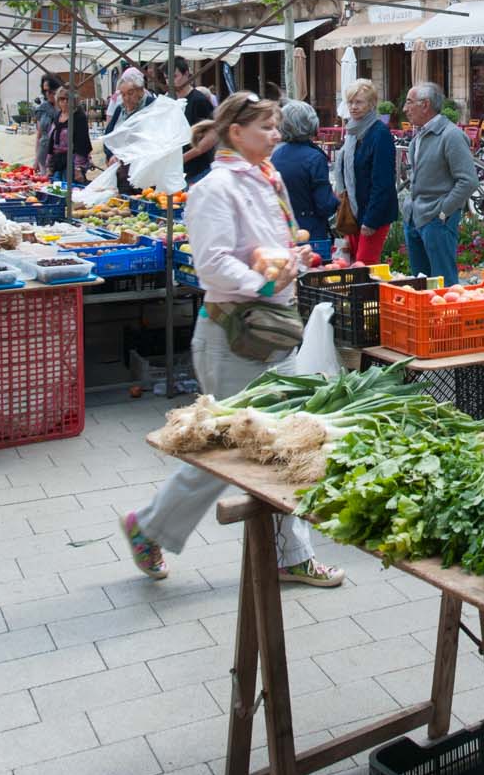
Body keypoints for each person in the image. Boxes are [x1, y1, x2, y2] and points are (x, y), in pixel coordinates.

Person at [119, 92, 342, 588]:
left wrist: (294, 261)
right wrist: (263, 284)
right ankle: (286, 554)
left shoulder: (268, 178)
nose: (276, 135)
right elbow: (213, 263)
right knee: (254, 446)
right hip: (234, 336)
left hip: (269, 329)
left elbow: (271, 247)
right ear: (236, 133)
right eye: (266, 127)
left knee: (259, 444)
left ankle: (155, 528)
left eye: (277, 125)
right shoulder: (214, 188)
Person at [401, 82, 477, 286]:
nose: (405, 109)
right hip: (415, 217)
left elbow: (468, 180)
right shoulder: (419, 135)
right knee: (421, 285)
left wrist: (444, 211)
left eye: (409, 102)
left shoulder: (451, 135)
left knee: (444, 286)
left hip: (437, 220)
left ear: (425, 105)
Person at [332, 80, 397, 265]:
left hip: (373, 214)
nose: (353, 107)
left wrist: (371, 220)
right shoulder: (352, 131)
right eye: (350, 102)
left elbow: (383, 182)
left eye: (359, 102)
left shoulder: (379, 133)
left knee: (363, 267)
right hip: (353, 212)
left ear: (371, 104)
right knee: (351, 265)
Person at [271, 100, 337, 249]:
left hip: (284, 229)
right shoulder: (315, 158)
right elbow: (325, 205)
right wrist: (336, 200)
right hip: (311, 233)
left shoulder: (276, 155)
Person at [170, 58, 218, 182]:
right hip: (178, 172)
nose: (170, 81)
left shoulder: (199, 100)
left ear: (186, 74)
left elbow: (212, 136)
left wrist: (183, 158)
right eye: (166, 78)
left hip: (199, 171)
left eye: (175, 76)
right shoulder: (171, 102)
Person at [46, 84, 92, 184]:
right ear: (58, 100)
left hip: (73, 162)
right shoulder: (57, 115)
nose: (65, 102)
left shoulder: (79, 117)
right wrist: (49, 165)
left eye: (69, 99)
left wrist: (78, 168)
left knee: (70, 189)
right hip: (57, 161)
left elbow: (82, 143)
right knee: (55, 187)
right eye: (62, 99)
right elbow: (51, 142)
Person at [33, 76, 59, 173]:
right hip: (43, 153)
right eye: (45, 91)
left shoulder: (65, 108)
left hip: (59, 155)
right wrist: (36, 159)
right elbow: (39, 135)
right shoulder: (42, 108)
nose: (48, 93)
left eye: (50, 90)